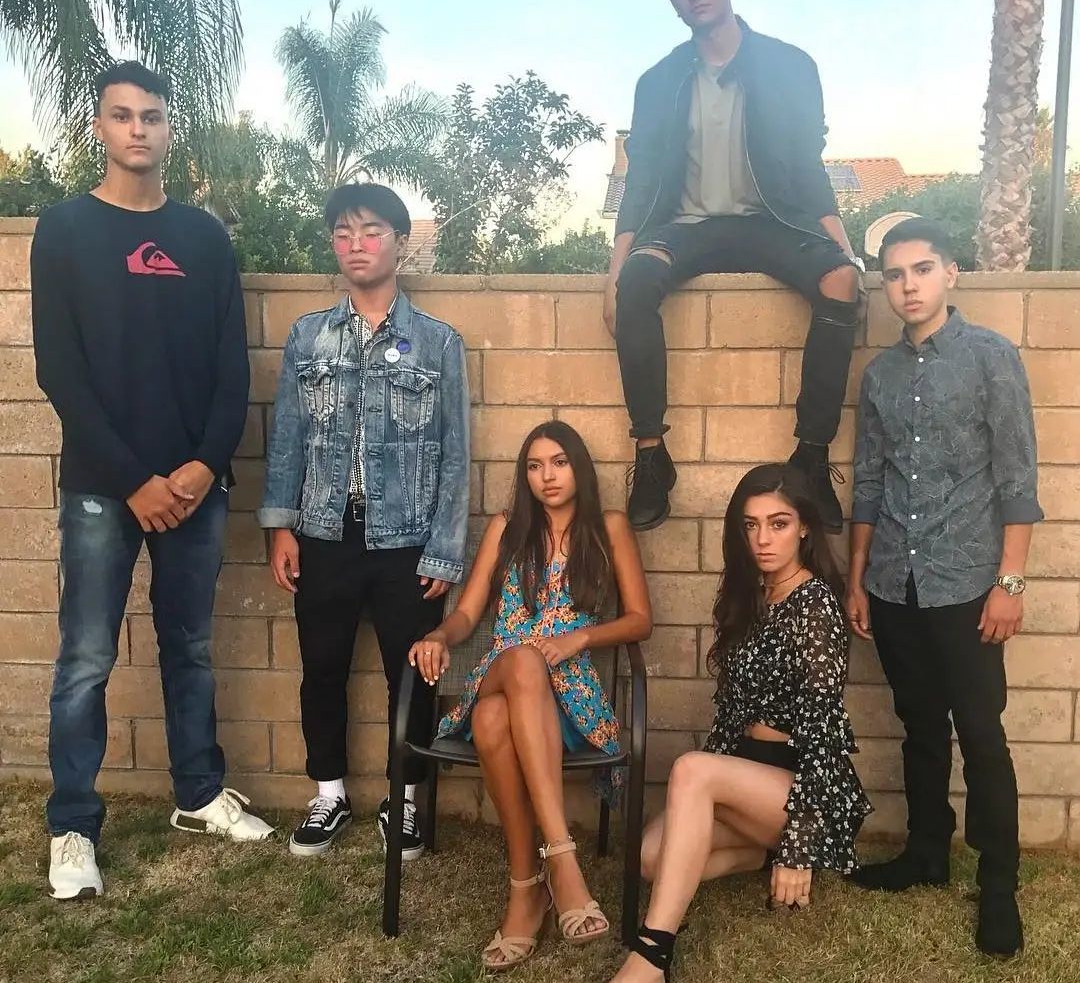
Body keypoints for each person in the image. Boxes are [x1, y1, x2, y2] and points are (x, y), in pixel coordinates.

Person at [31, 61, 271, 900]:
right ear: (100, 127)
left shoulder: (203, 238)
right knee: (86, 658)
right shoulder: (63, 230)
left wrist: (203, 466)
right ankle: (72, 826)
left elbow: (231, 368)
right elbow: (61, 372)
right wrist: (135, 479)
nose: (139, 128)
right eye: (123, 115)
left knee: (190, 646)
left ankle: (199, 794)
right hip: (105, 487)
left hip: (197, 487)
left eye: (153, 116)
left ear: (170, 129)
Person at [603, 0, 862, 534]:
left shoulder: (790, 66)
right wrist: (613, 271)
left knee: (841, 283)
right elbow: (641, 182)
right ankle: (651, 456)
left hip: (772, 222)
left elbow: (807, 166)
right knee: (635, 282)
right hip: (685, 227)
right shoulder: (657, 81)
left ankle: (811, 458)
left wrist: (846, 253)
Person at [846, 217, 1042, 959]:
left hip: (967, 584)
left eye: (922, 269)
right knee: (920, 725)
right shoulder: (879, 377)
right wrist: (860, 578)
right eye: (894, 275)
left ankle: (998, 883)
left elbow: (1018, 479)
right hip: (895, 583)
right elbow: (868, 482)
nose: (908, 286)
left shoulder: (992, 358)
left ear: (950, 273)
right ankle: (927, 851)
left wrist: (1009, 583)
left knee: (982, 733)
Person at [259, 182, 470, 861]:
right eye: (344, 233)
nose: (357, 244)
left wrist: (444, 550)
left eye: (372, 231)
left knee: (411, 675)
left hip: (406, 541)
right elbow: (287, 437)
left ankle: (403, 800)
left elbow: (456, 454)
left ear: (400, 245)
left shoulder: (437, 343)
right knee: (321, 667)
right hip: (324, 534)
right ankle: (329, 793)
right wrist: (281, 525)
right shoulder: (308, 336)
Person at [407, 421, 651, 971]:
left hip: (571, 695)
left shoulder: (609, 528)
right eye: (535, 466)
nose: (548, 476)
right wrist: (439, 635)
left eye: (559, 462)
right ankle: (563, 861)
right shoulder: (507, 527)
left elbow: (641, 619)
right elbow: (469, 611)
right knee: (520, 661)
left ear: (579, 467)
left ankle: (526, 887)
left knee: (492, 720)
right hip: (503, 667)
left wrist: (579, 638)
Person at [612, 463, 871, 982]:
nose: (763, 539)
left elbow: (822, 730)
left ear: (804, 527)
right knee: (648, 859)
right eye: (751, 525)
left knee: (692, 769)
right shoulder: (749, 594)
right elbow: (732, 714)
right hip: (748, 778)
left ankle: (651, 955)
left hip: (807, 787)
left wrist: (798, 844)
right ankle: (758, 854)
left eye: (778, 523)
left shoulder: (816, 604)